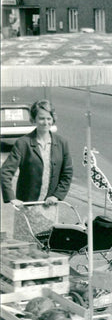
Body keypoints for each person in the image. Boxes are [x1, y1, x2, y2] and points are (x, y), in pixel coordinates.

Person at [1, 100, 73, 239]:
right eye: (41, 118)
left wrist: (56, 195)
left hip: (49, 207)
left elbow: (67, 173)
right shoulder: (23, 143)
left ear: (53, 119)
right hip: (27, 208)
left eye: (48, 118)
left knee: (47, 246)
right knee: (26, 248)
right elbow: (5, 172)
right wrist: (11, 198)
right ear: (33, 120)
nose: (45, 122)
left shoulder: (61, 143)